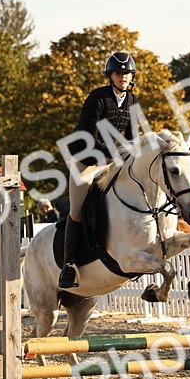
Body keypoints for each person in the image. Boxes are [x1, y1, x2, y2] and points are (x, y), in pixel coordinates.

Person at [58, 51, 138, 289]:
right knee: (78, 210)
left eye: (127, 73)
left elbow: (133, 137)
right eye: (119, 73)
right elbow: (88, 137)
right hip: (85, 159)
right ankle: (68, 266)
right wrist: (117, 153)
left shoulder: (132, 101)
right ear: (110, 76)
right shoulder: (98, 98)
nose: (123, 77)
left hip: (112, 160)